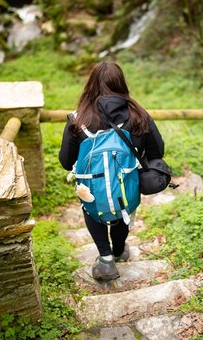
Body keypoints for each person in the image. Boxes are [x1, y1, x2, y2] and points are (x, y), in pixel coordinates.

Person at [59, 61, 164, 281]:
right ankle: (118, 251)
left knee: (92, 209)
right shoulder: (138, 115)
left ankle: (106, 259)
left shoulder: (77, 120)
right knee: (123, 208)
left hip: (92, 190)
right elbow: (158, 150)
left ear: (91, 86)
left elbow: (66, 161)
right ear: (121, 84)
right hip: (127, 187)